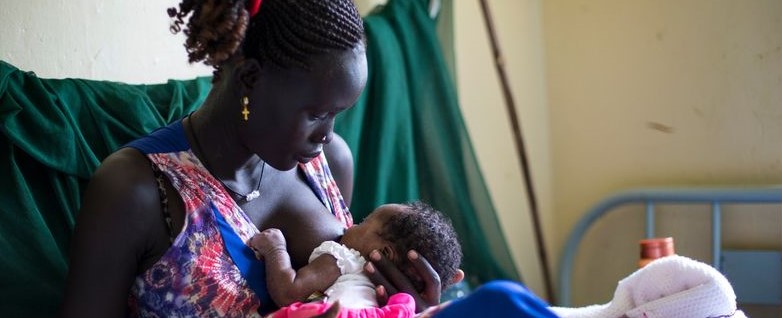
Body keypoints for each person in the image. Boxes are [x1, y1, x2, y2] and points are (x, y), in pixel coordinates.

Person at [60, 0, 447, 317]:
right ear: (249, 79)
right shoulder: (137, 190)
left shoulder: (329, 160)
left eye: (337, 114)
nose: (327, 133)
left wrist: (407, 304)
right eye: (316, 114)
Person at [249, 201, 463, 317]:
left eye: (362, 222)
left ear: (385, 253)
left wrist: (275, 249)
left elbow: (289, 293)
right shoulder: (401, 308)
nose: (350, 226)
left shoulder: (345, 258)